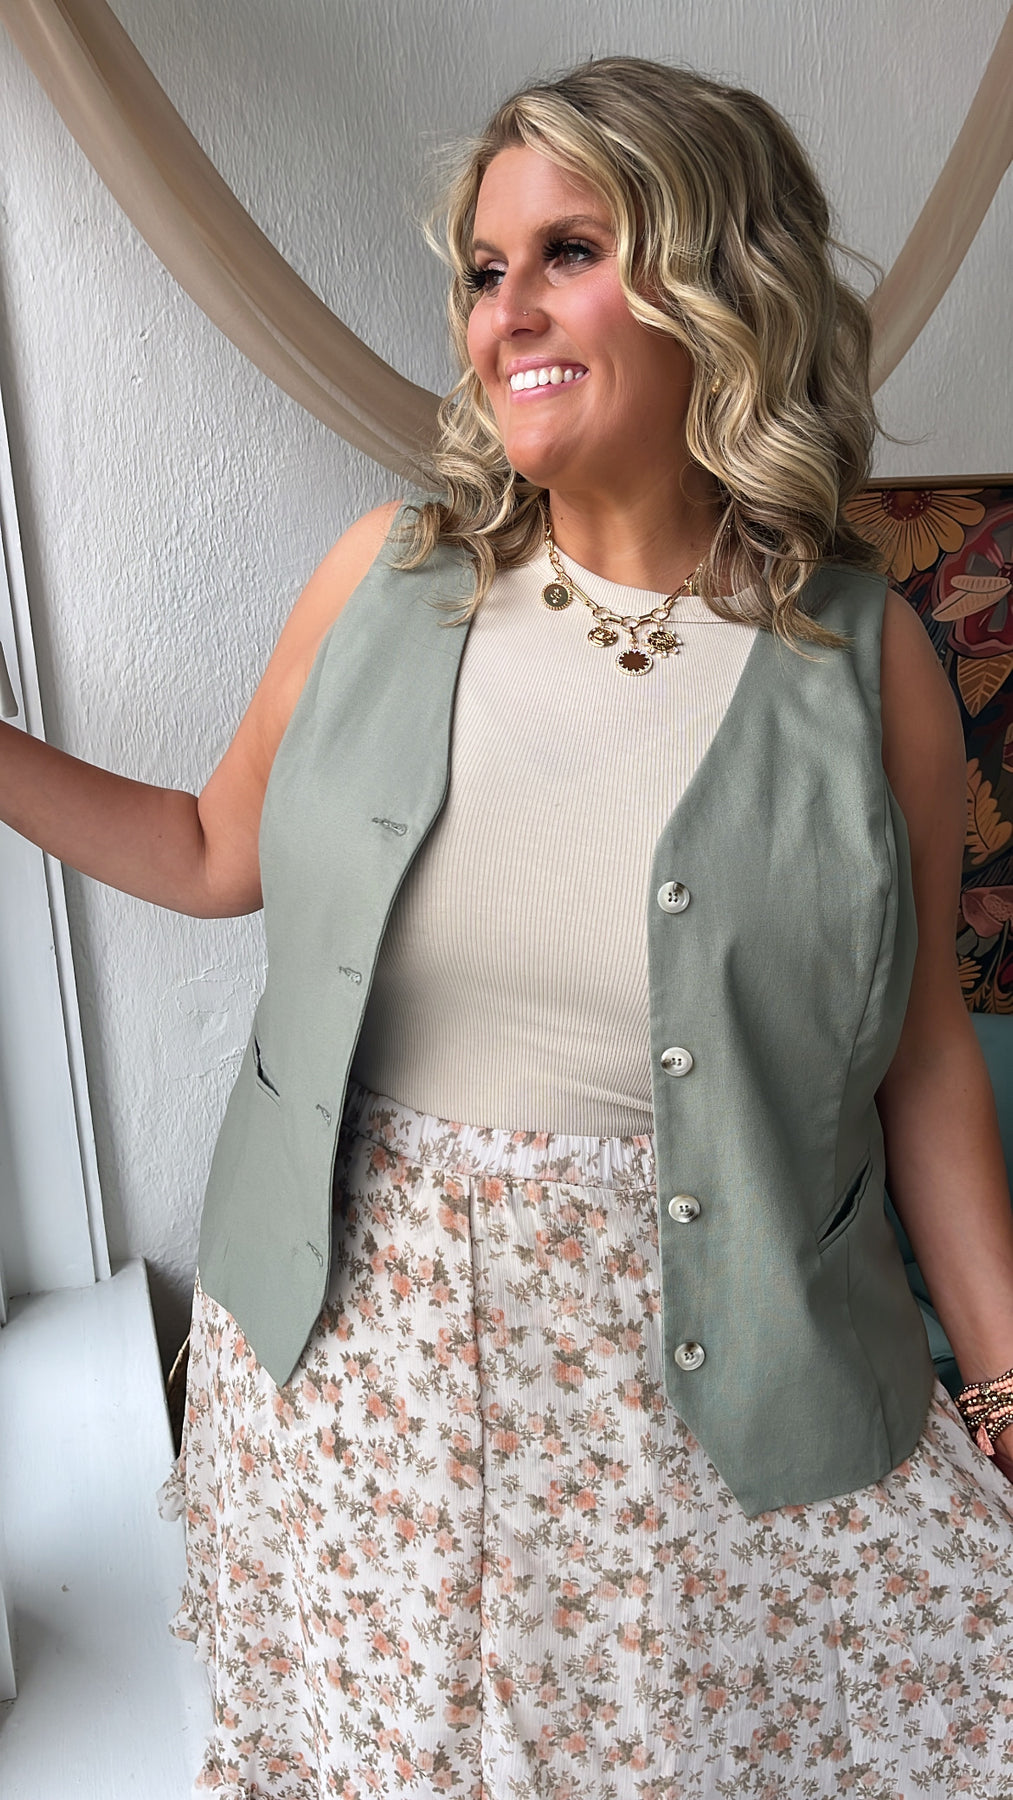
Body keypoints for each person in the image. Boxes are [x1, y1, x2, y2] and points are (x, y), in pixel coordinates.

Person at [6, 53, 1013, 1798]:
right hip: (354, 1365)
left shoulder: (864, 666)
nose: (506, 312)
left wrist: (999, 1386)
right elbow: (205, 848)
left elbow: (915, 1044)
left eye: (570, 251)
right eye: (486, 268)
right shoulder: (381, 579)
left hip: (704, 1385)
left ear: (721, 283)